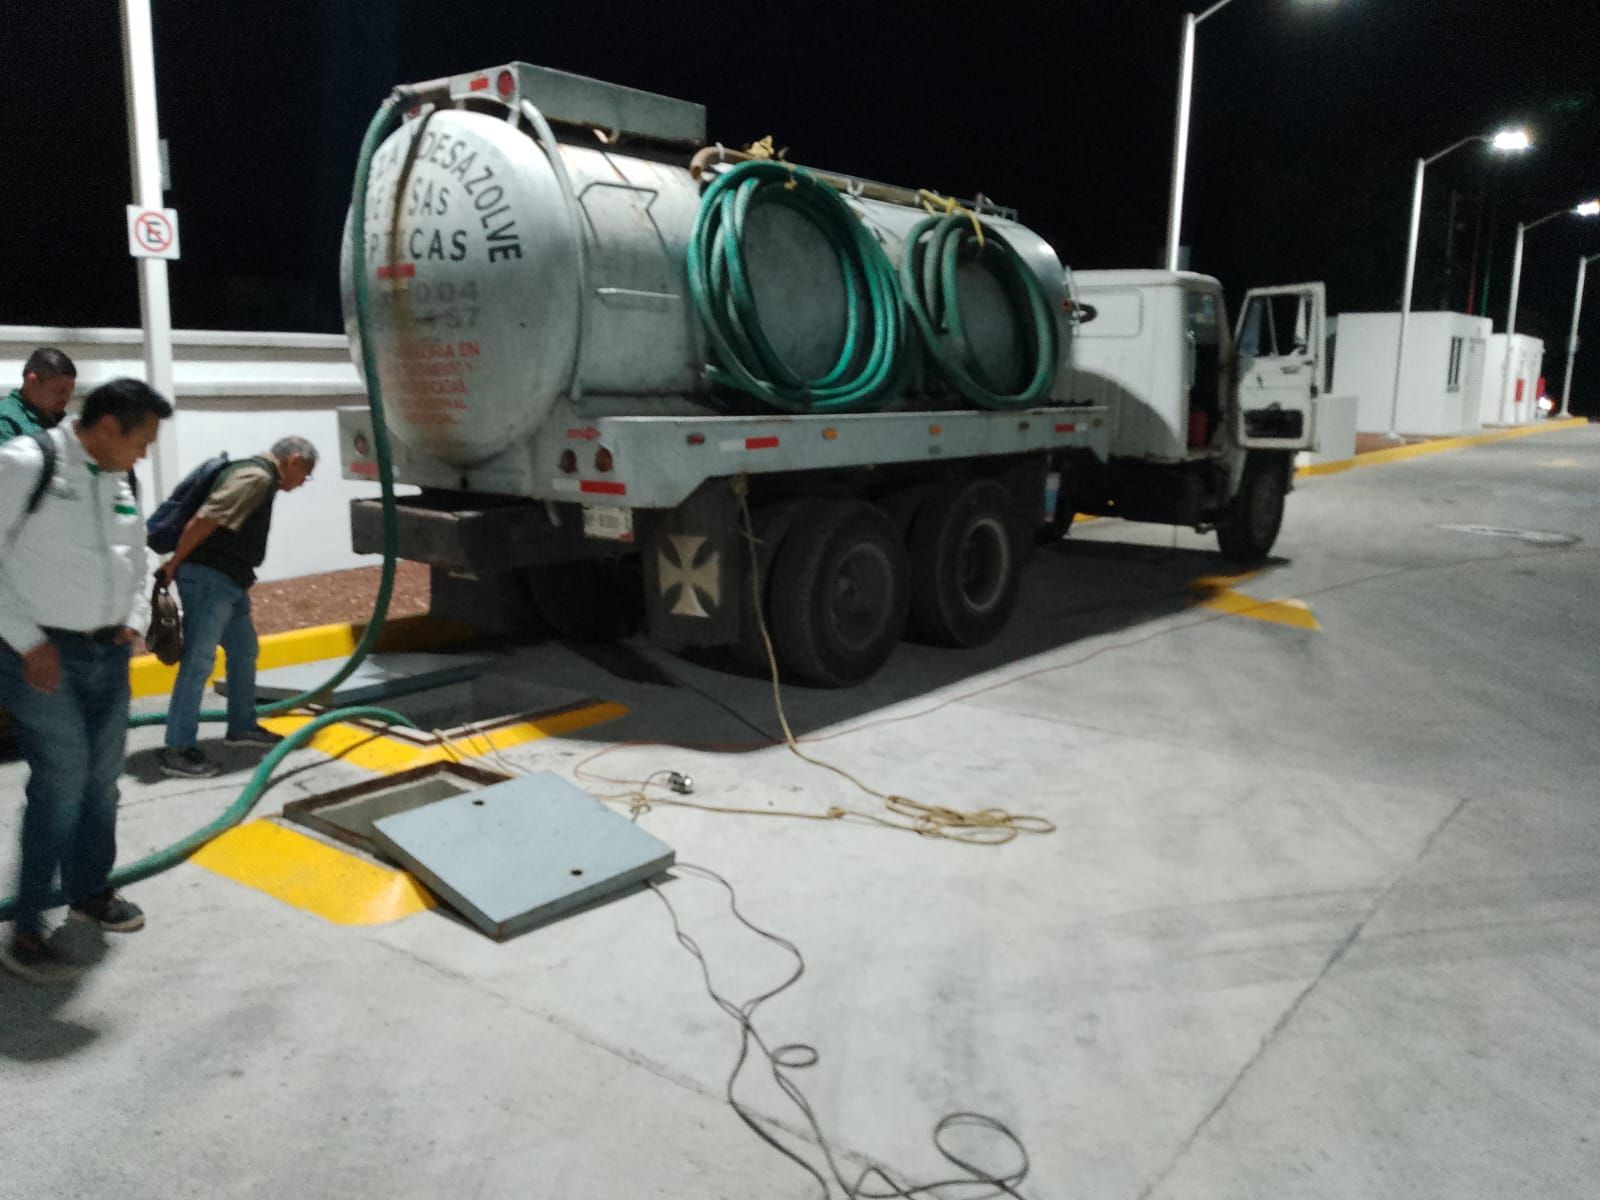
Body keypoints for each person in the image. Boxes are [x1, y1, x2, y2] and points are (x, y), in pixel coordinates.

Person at [0, 378, 172, 985]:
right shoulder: (27, 463)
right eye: (142, 440)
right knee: (63, 780)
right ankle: (26, 926)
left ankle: (89, 891)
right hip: (41, 652)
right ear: (106, 429)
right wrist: (27, 640)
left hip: (109, 654)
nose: (146, 454)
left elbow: (139, 553)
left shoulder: (120, 475)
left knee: (102, 783)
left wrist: (134, 617)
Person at [156, 436, 316, 779]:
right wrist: (174, 563)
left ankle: (242, 726)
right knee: (199, 662)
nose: (303, 483)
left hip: (230, 581)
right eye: (306, 475)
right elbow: (205, 520)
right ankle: (177, 748)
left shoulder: (261, 478)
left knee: (244, 650)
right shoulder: (256, 477)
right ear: (296, 460)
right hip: (211, 578)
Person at [0, 347, 76, 439]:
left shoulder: (65, 421)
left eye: (69, 392)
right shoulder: (6, 420)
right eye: (59, 391)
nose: (66, 399)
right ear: (32, 382)